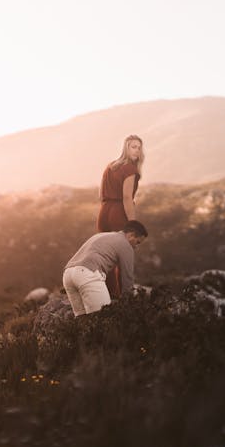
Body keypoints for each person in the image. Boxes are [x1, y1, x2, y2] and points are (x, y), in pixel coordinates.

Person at [63, 220, 148, 317]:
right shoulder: (125, 245)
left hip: (68, 275)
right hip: (88, 273)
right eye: (137, 242)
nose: (136, 247)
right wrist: (129, 305)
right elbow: (127, 278)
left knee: (82, 320)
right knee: (105, 318)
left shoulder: (102, 235)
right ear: (131, 235)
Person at [97, 135, 145, 296]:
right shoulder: (130, 169)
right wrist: (133, 224)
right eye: (133, 146)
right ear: (126, 148)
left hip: (104, 212)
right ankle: (120, 298)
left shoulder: (110, 166)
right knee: (121, 255)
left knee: (106, 255)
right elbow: (126, 198)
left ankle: (106, 294)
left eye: (139, 147)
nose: (137, 150)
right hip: (118, 211)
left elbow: (101, 192)